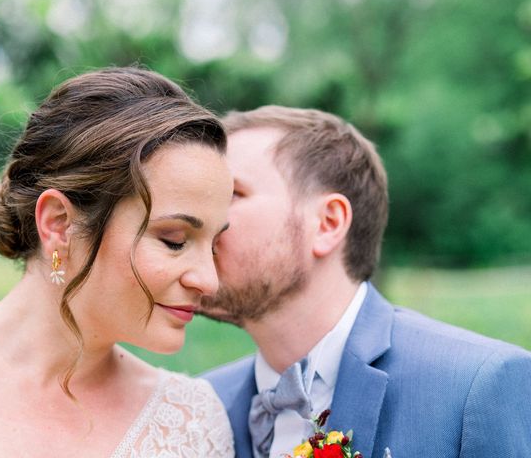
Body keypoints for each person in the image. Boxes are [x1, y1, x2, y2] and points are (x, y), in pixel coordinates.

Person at [0, 67, 235, 457]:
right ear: (58, 224)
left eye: (214, 246)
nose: (208, 281)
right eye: (174, 241)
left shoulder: (192, 424)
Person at [200, 105, 531, 457]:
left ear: (327, 223)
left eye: (230, 194)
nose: (200, 220)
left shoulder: (474, 388)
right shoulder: (198, 405)